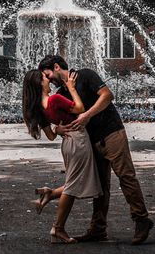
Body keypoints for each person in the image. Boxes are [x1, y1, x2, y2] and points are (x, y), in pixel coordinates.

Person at [38, 55, 153, 245]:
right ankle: (98, 229)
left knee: (126, 176)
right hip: (91, 141)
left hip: (111, 131)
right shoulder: (63, 94)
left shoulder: (85, 75)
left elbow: (107, 95)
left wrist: (86, 115)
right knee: (101, 186)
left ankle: (141, 219)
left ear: (57, 67)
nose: (48, 79)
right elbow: (60, 120)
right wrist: (57, 129)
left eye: (48, 74)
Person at [22, 69, 102, 244]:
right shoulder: (55, 99)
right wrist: (71, 87)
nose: (48, 79)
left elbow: (51, 135)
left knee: (74, 182)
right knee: (72, 187)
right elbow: (80, 108)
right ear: (39, 83)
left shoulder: (39, 107)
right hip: (78, 140)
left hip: (67, 143)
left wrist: (57, 129)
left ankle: (50, 193)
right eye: (45, 78)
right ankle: (58, 228)